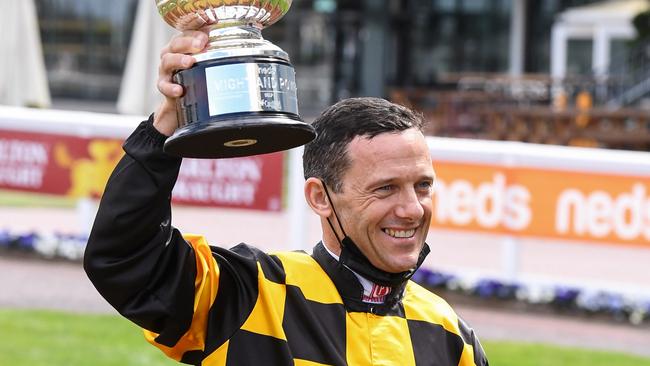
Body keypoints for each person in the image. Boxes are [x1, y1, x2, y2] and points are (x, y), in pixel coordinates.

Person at [84, 30, 489, 366]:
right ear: (320, 197)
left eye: (422, 185)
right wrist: (164, 126)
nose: (411, 209)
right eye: (385, 188)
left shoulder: (452, 338)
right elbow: (125, 258)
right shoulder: (246, 293)